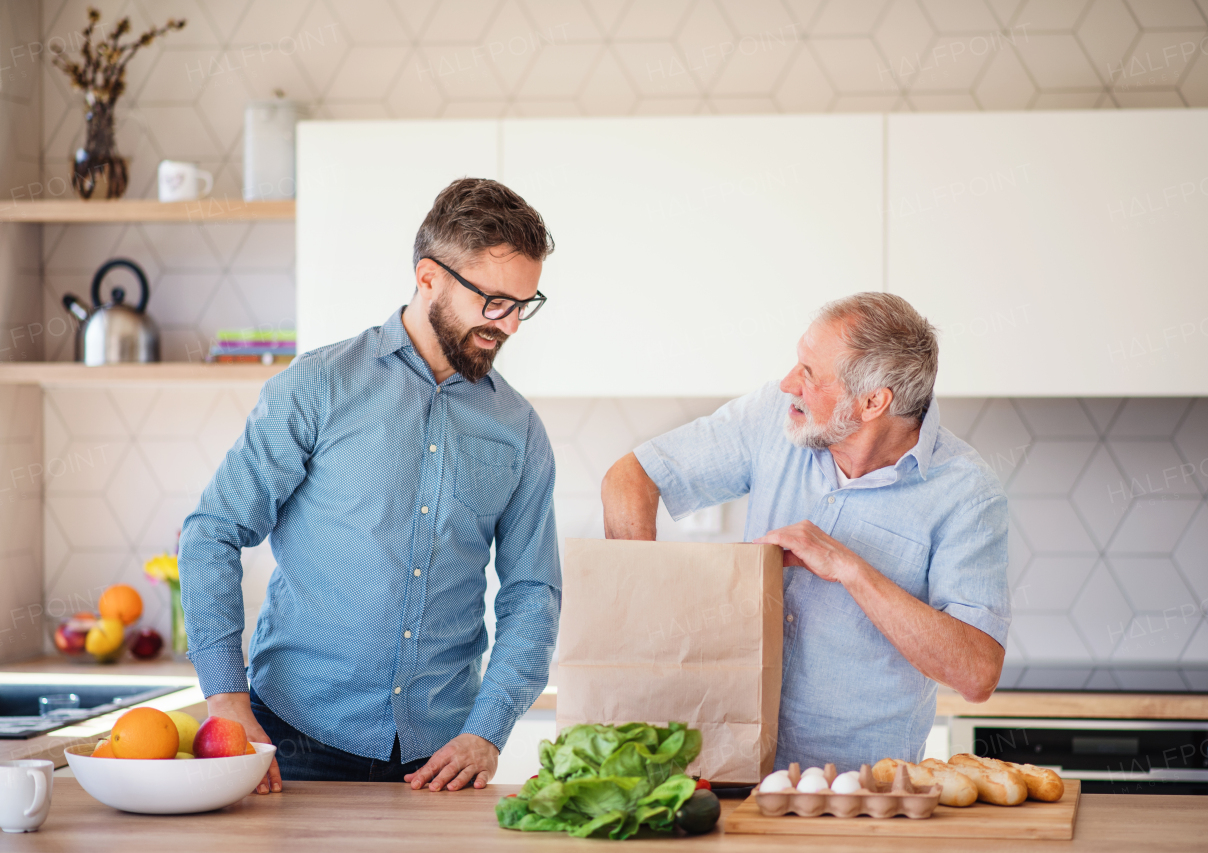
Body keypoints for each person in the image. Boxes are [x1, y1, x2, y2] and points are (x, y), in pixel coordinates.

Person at [180, 178, 560, 794]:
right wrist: (226, 699)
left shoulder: (519, 431)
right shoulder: (318, 387)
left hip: (443, 762)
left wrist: (487, 732)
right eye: (494, 302)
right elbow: (213, 533)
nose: (510, 325)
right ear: (429, 277)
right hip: (295, 744)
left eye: (523, 304)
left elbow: (532, 593)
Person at [601, 292, 1009, 771]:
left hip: (860, 792)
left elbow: (977, 673)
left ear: (874, 401)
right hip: (729, 767)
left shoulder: (967, 493)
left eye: (810, 374)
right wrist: (636, 613)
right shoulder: (771, 419)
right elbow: (630, 478)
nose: (787, 383)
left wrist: (849, 568)